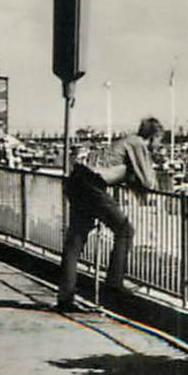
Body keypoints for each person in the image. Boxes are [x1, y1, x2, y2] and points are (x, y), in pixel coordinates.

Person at [57, 116, 163, 311]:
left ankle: (65, 297)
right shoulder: (137, 143)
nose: (159, 146)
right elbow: (148, 181)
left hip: (77, 181)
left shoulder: (125, 143)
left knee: (76, 240)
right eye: (159, 140)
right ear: (154, 136)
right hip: (91, 184)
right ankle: (113, 285)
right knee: (125, 230)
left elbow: (123, 172)